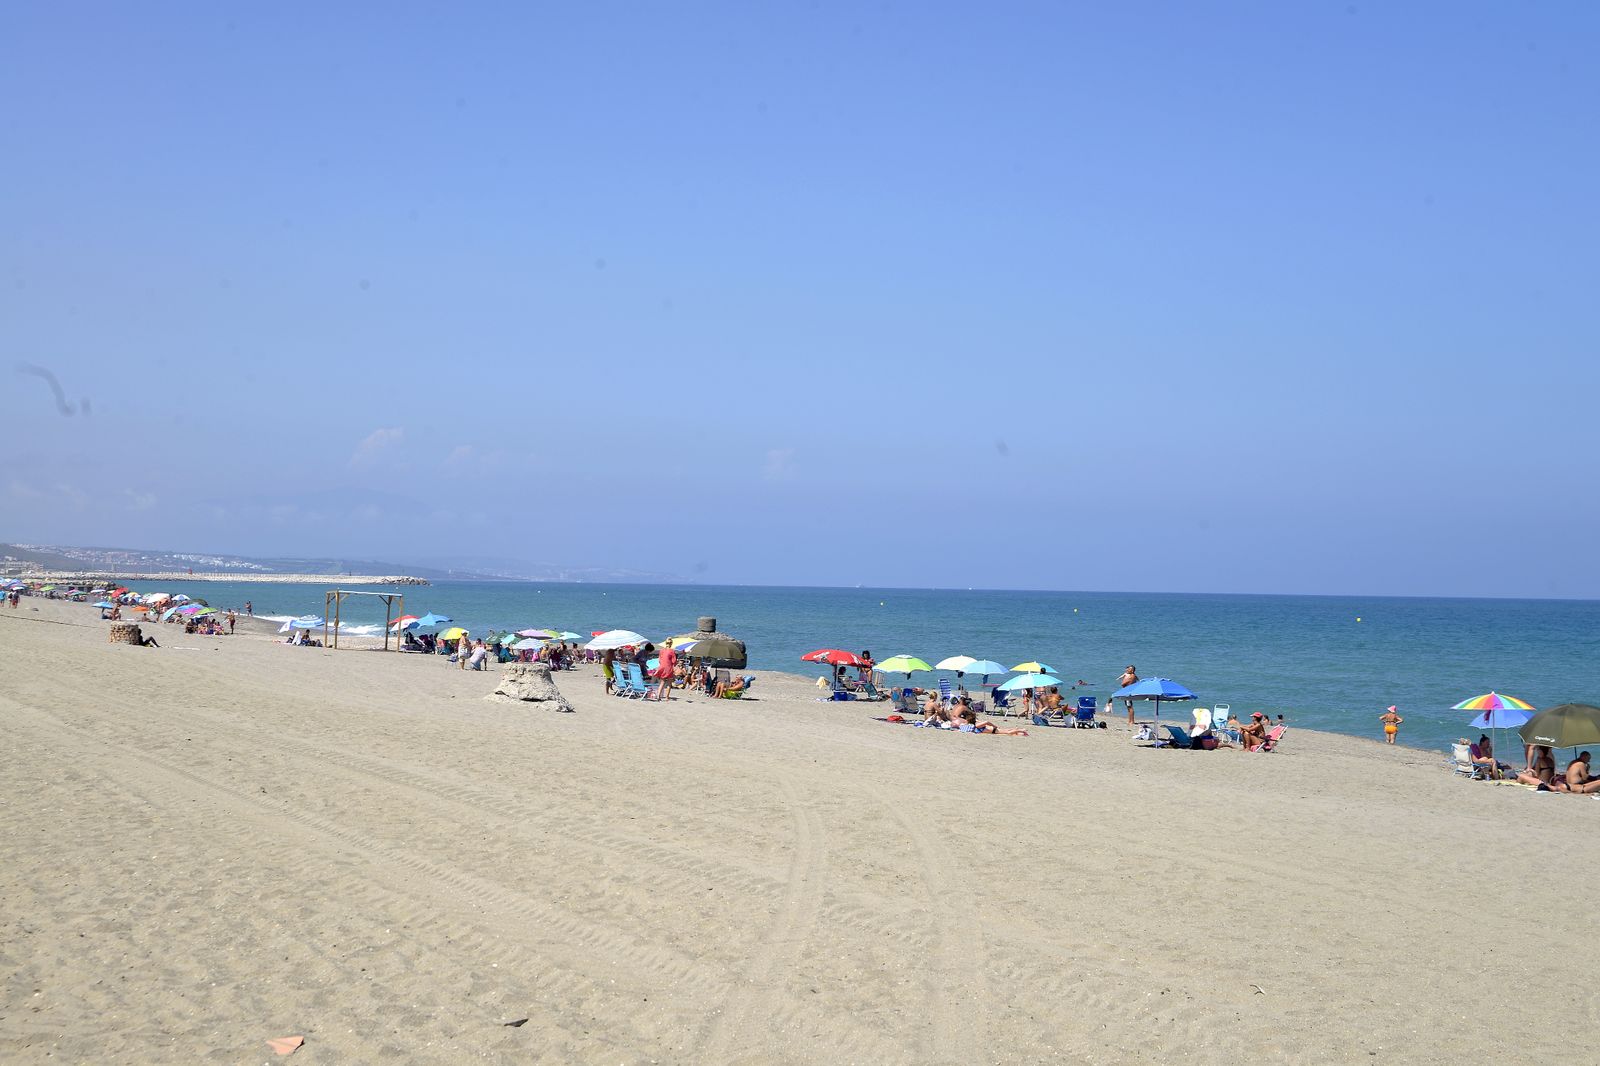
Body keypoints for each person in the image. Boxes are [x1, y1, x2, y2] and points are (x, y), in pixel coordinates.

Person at [955, 706, 1028, 735]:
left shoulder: (976, 725)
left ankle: (1021, 730)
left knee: (1007, 732)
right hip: (991, 729)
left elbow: (987, 722)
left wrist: (994, 726)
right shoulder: (975, 723)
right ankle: (1020, 732)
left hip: (993, 730)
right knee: (1007, 730)